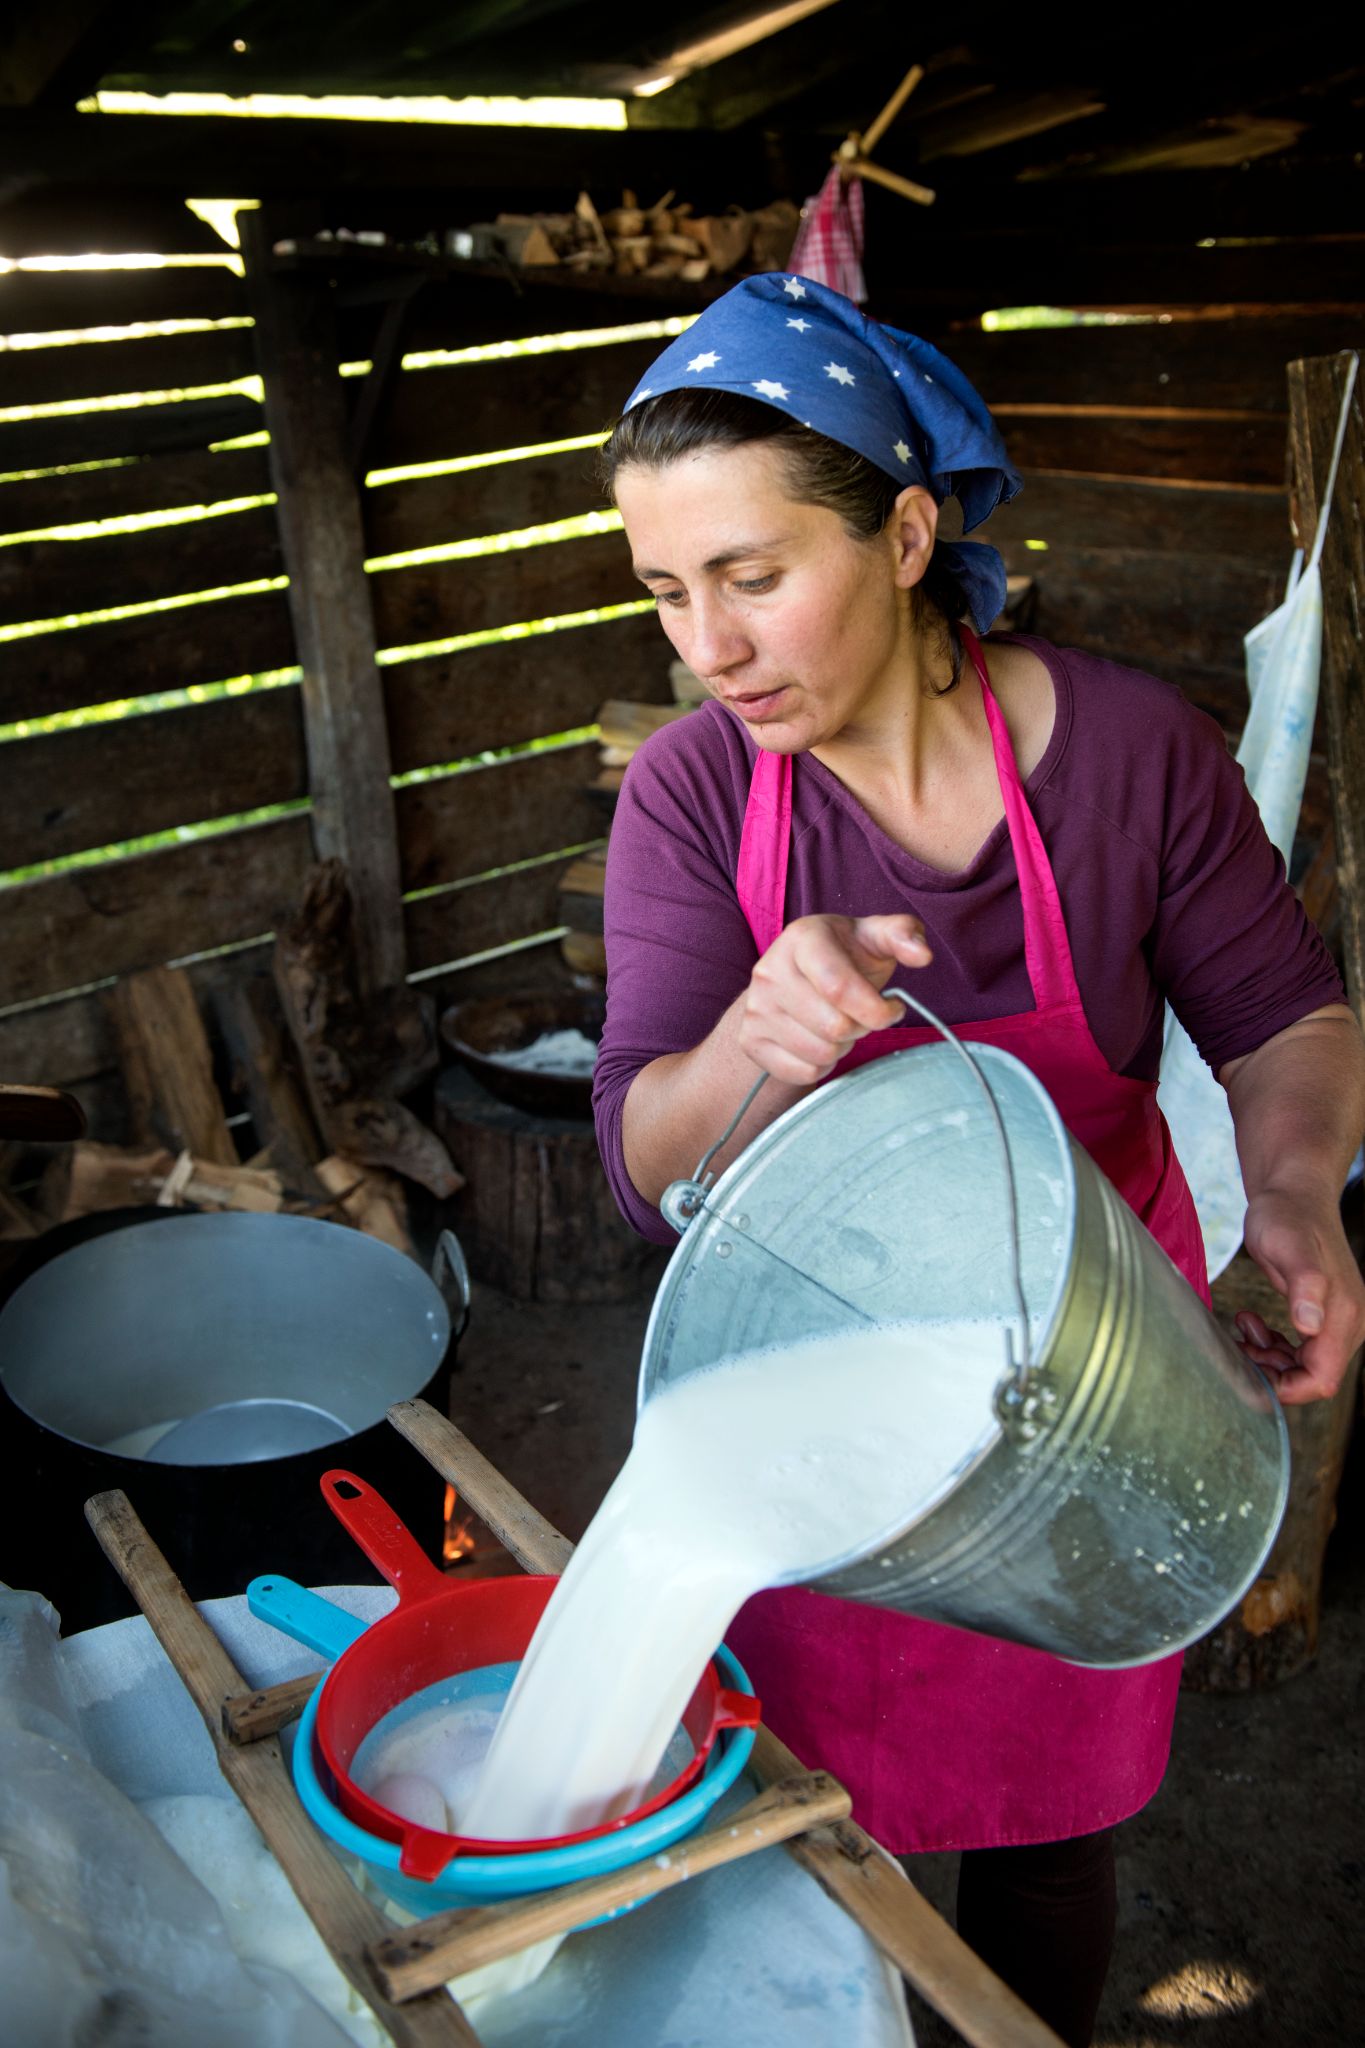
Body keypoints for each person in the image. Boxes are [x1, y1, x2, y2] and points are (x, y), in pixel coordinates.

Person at [589, 274, 1365, 2046]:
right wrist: (747, 1052)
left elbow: (1284, 1019)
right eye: (662, 590)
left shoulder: (1136, 759)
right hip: (810, 1406)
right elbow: (644, 1163)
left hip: (1091, 1378)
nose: (703, 647)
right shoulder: (698, 803)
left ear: (910, 529)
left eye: (752, 575)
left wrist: (1300, 1195)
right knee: (798, 1831)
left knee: (1055, 1824)